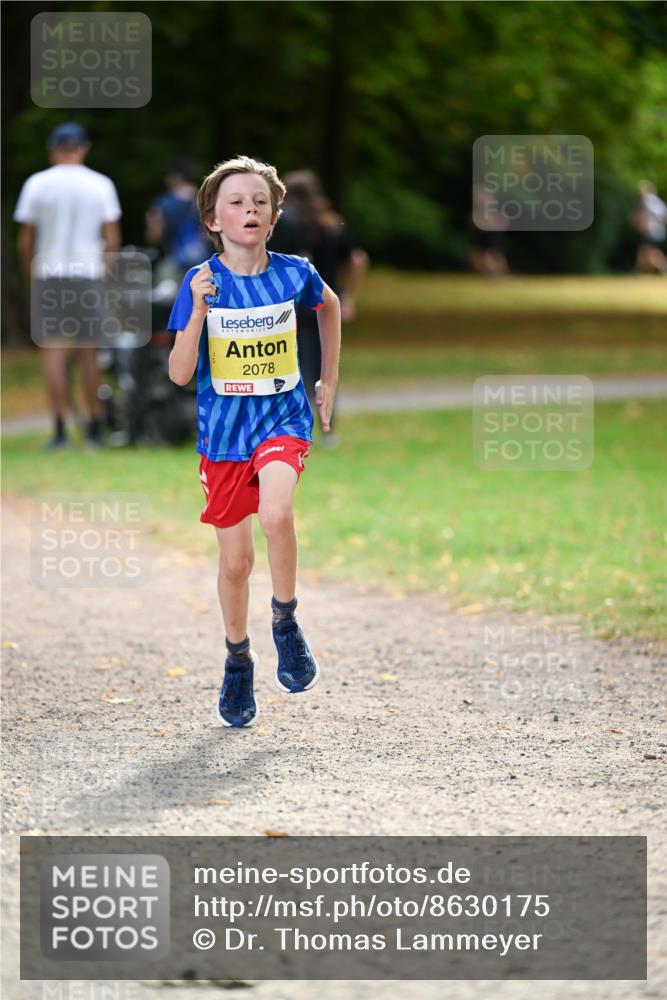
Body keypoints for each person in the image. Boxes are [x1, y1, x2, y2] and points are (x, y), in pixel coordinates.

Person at [167, 155, 341, 729]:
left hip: (282, 420)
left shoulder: (295, 272)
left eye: (260, 202)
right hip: (223, 436)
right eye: (236, 202)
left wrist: (328, 378)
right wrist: (196, 310)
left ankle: (286, 621)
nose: (249, 209)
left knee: (277, 512)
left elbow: (330, 306)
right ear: (213, 219)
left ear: (274, 215)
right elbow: (178, 372)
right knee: (236, 563)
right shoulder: (200, 282)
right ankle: (238, 659)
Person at [14, 122, 122, 450]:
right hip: (87, 274)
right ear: (84, 147)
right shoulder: (100, 184)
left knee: (53, 353)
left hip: (49, 272)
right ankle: (92, 428)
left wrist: (30, 276)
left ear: (52, 149)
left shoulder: (37, 184)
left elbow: (26, 240)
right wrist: (105, 274)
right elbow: (111, 237)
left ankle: (60, 429)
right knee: (89, 353)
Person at [270, 170, 367, 438]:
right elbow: (358, 259)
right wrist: (347, 294)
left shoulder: (291, 225)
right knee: (328, 366)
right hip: (328, 304)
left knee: (298, 367)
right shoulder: (332, 224)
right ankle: (328, 428)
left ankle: (300, 425)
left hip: (300, 306)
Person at [145, 157, 209, 283]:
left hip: (173, 265)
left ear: (176, 176)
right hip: (205, 266)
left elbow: (154, 237)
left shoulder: (162, 203)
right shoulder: (206, 201)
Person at [631, 180, 667, 274]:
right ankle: (641, 270)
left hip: (653, 230)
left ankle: (663, 267)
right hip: (655, 230)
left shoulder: (648, 200)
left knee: (650, 252)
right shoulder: (655, 200)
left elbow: (658, 215)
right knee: (645, 251)